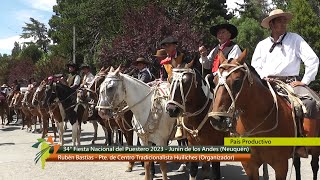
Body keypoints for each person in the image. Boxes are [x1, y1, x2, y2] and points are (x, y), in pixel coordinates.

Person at [251, 9, 320, 158]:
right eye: (279, 20)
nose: (283, 23)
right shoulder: (262, 45)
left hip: (291, 83)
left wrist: (304, 82)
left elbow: (313, 60)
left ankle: (304, 144)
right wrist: (263, 77)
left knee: (310, 103)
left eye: (284, 21)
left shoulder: (295, 39)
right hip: (266, 82)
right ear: (271, 24)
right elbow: (255, 64)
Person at [198, 23, 242, 88]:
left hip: (226, 82)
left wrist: (216, 75)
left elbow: (231, 67)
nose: (220, 35)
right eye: (218, 33)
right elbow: (207, 66)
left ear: (229, 35)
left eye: (223, 32)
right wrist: (204, 56)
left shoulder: (234, 48)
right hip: (214, 80)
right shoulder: (215, 50)